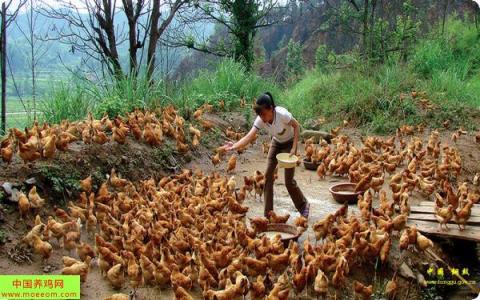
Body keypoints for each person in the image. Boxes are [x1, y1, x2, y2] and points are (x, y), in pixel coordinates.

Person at [224, 92, 310, 218]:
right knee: (268, 177)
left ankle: (303, 205)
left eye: (263, 113)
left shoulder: (282, 114)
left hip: (289, 143)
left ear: (271, 109)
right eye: (259, 114)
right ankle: (268, 214)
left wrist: (294, 147)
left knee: (288, 181)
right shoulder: (261, 120)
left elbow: (296, 126)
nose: (262, 117)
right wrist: (234, 146)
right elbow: (249, 136)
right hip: (276, 143)